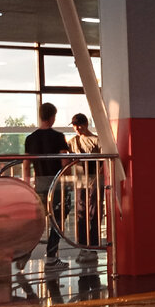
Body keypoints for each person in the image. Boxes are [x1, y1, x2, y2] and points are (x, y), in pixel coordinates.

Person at [23, 102, 69, 268]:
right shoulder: (58, 137)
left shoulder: (30, 138)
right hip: (56, 186)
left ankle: (24, 252)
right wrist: (69, 182)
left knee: (38, 222)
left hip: (39, 186)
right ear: (52, 117)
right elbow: (64, 163)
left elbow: (26, 165)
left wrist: (27, 185)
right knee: (58, 219)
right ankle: (51, 256)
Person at [67, 113, 102, 264]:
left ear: (85, 124)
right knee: (81, 213)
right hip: (80, 182)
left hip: (94, 181)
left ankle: (92, 247)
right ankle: (83, 245)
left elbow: (104, 162)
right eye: (74, 125)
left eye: (78, 125)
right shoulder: (72, 142)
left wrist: (98, 178)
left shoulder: (96, 140)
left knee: (94, 213)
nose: (76, 128)